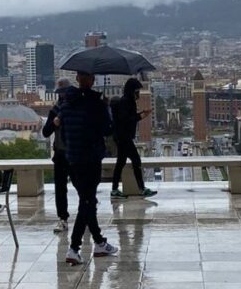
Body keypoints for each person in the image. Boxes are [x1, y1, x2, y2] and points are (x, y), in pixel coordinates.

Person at [57, 71, 119, 265]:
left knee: (87, 200)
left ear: (77, 79)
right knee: (87, 202)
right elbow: (108, 130)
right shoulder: (96, 104)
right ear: (92, 81)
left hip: (73, 159)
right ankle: (74, 248)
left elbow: (63, 136)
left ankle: (99, 242)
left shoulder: (65, 105)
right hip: (91, 158)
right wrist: (107, 108)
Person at [110, 77, 156, 199]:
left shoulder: (127, 101)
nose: (138, 94)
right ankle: (141, 188)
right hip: (124, 137)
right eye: (137, 91)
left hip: (121, 136)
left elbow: (129, 117)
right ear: (132, 91)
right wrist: (141, 116)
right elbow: (127, 119)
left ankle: (114, 190)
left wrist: (142, 113)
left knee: (121, 163)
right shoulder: (126, 102)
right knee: (136, 160)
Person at [42, 77, 72, 233]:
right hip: (61, 154)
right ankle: (62, 218)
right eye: (61, 93)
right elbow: (45, 132)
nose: (62, 95)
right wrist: (54, 123)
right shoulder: (55, 110)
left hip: (75, 153)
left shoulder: (76, 108)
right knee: (60, 189)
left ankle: (86, 216)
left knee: (82, 187)